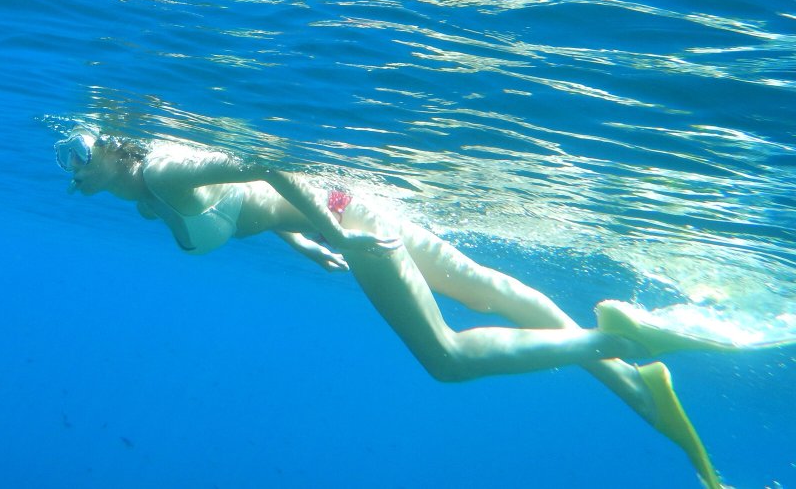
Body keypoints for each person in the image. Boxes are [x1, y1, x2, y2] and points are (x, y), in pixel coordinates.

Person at [55, 130, 724, 489]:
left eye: (78, 154)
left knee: (447, 358)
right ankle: (638, 385)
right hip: (352, 208)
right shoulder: (147, 192)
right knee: (491, 293)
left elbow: (263, 164)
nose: (71, 169)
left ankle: (616, 341)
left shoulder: (163, 172)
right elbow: (245, 197)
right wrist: (301, 240)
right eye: (66, 160)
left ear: (114, 148)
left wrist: (333, 232)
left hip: (354, 224)